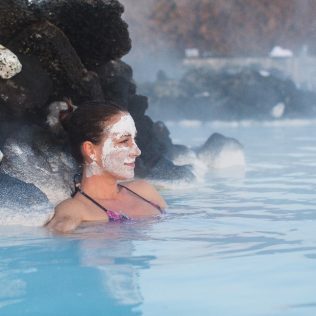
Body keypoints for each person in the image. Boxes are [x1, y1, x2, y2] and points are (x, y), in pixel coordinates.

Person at [46, 101, 166, 233]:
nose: (137, 151)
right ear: (91, 151)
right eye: (124, 141)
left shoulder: (145, 191)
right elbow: (54, 243)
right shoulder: (75, 210)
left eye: (134, 140)